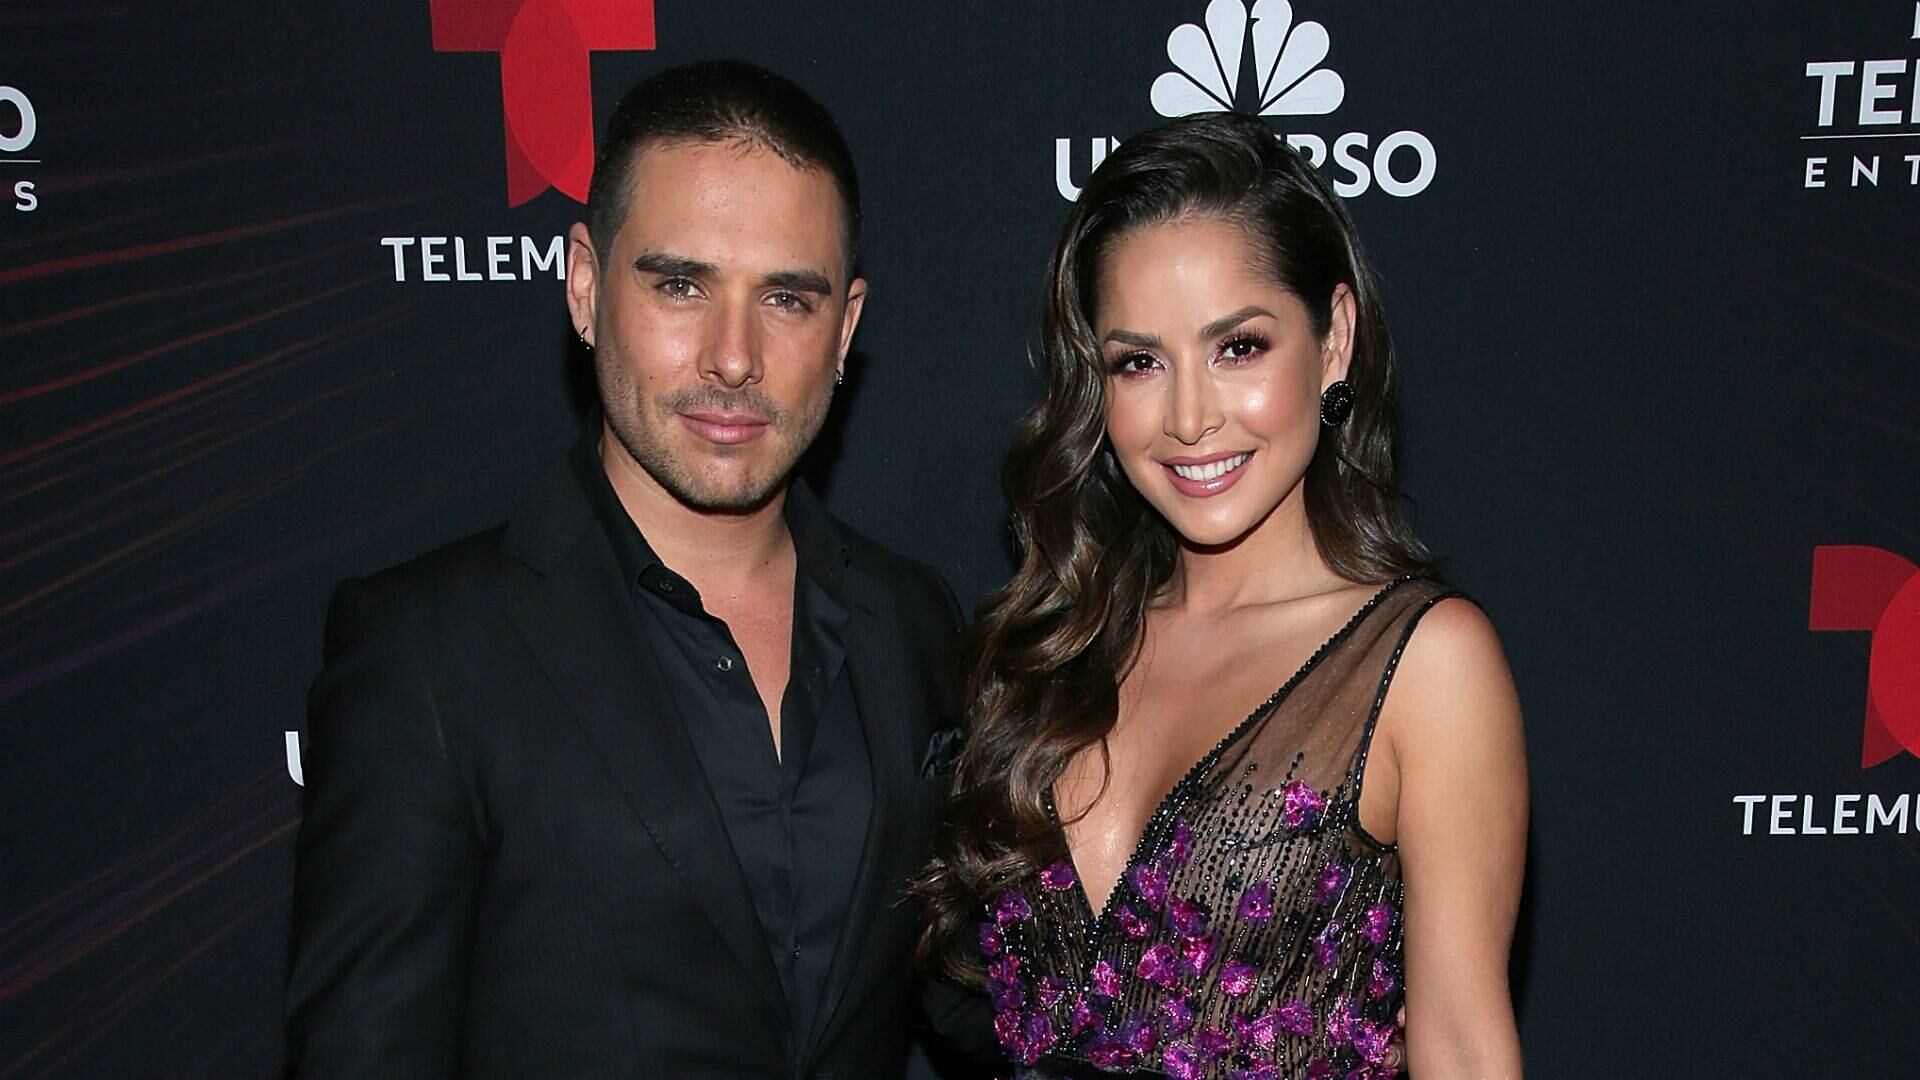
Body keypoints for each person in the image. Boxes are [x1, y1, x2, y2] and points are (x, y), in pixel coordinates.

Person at [285, 60, 984, 1077]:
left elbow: (973, 997)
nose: (734, 358)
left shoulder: (912, 618)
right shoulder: (428, 655)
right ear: (584, 285)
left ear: (846, 329)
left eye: (787, 299)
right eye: (681, 286)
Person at [915, 112, 1528, 1079]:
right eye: (1139, 362)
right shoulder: (1060, 644)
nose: (1191, 417)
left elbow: (1461, 1047)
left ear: (1333, 341)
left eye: (1237, 348)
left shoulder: (1425, 663)